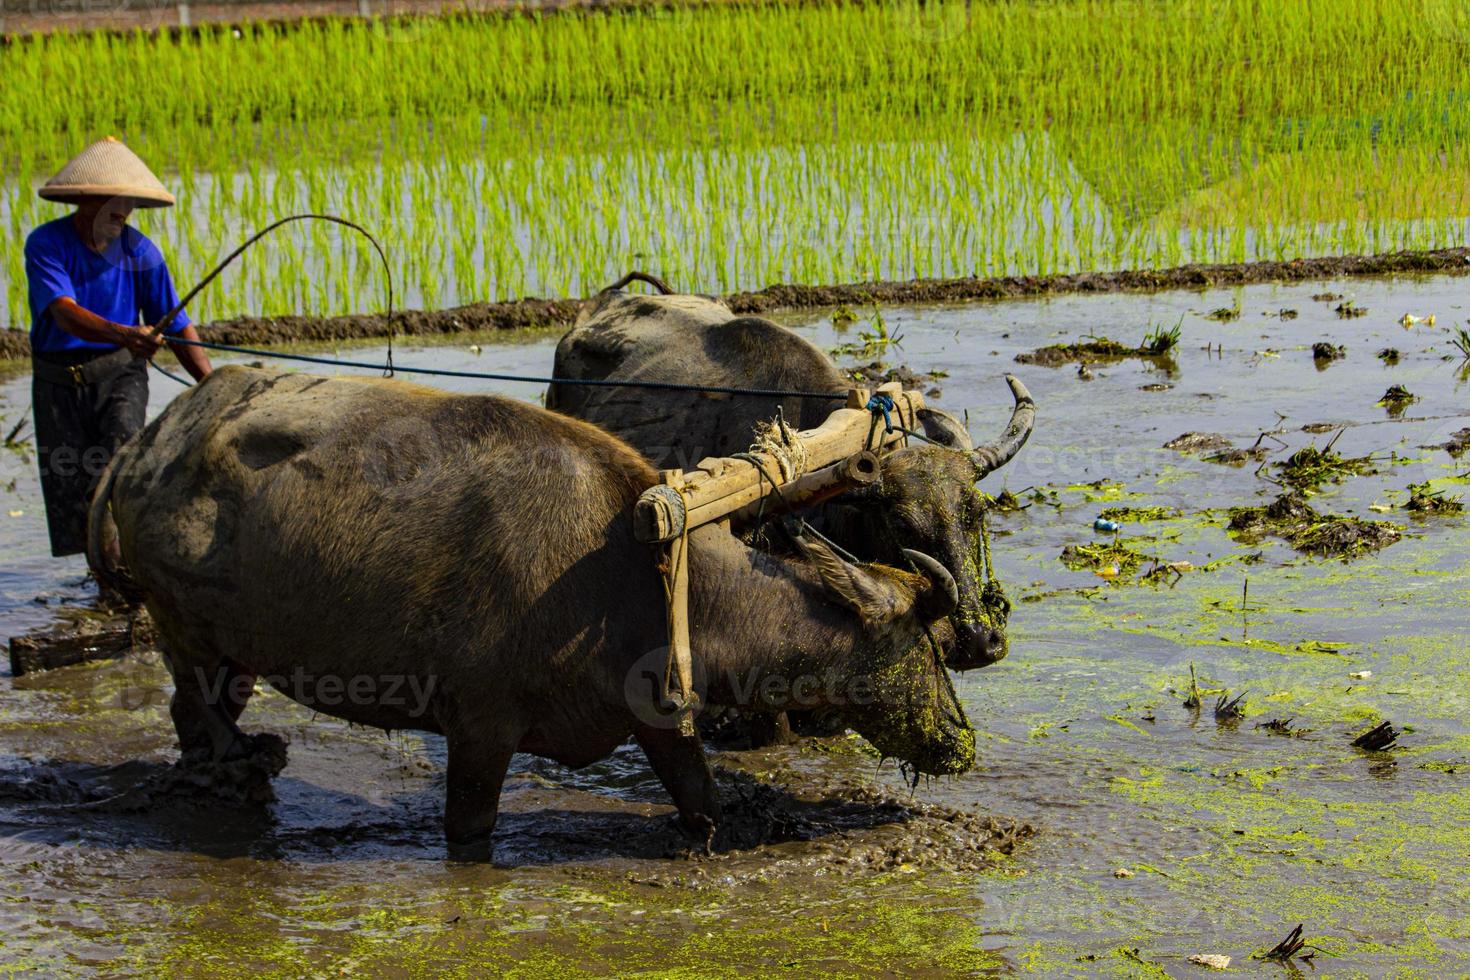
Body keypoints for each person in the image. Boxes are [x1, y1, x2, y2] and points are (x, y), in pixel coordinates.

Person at [25, 136, 213, 561]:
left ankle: (128, 575)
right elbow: (63, 312)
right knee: (71, 487)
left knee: (117, 470)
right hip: (58, 382)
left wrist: (211, 382)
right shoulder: (46, 244)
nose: (123, 212)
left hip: (119, 377)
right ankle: (100, 581)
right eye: (114, 201)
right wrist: (126, 333)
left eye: (128, 203)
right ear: (86, 200)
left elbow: (177, 323)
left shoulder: (140, 252)